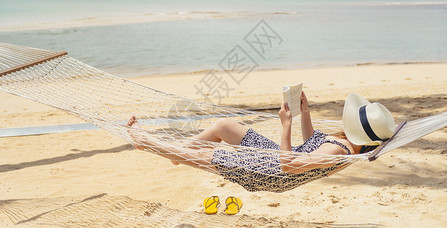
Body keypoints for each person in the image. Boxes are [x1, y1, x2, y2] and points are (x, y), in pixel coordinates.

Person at [126, 92, 396, 174]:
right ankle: (182, 154)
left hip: (270, 171)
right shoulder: (348, 144)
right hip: (276, 157)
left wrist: (286, 125)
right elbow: (311, 144)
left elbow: (289, 165)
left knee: (210, 155)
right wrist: (305, 112)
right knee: (223, 126)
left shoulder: (340, 150)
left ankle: (144, 140)